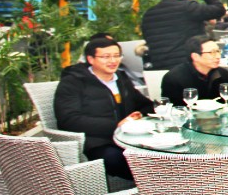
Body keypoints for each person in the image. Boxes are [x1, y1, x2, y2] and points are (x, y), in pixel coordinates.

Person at [55, 38, 155, 180]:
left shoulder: (120, 78)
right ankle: (156, 185)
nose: (113, 61)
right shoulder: (73, 82)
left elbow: (145, 104)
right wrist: (116, 125)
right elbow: (69, 120)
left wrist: (139, 114)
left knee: (161, 153)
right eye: (106, 57)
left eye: (116, 56)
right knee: (117, 159)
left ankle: (162, 184)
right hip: (95, 141)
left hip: (128, 138)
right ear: (90, 59)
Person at [141, 0, 226, 70]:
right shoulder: (188, 8)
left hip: (159, 67)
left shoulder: (149, 14)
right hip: (187, 68)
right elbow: (219, 10)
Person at [161, 36, 228, 106]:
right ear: (195, 56)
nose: (218, 56)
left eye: (218, 51)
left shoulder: (223, 74)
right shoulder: (174, 78)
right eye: (212, 52)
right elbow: (172, 109)